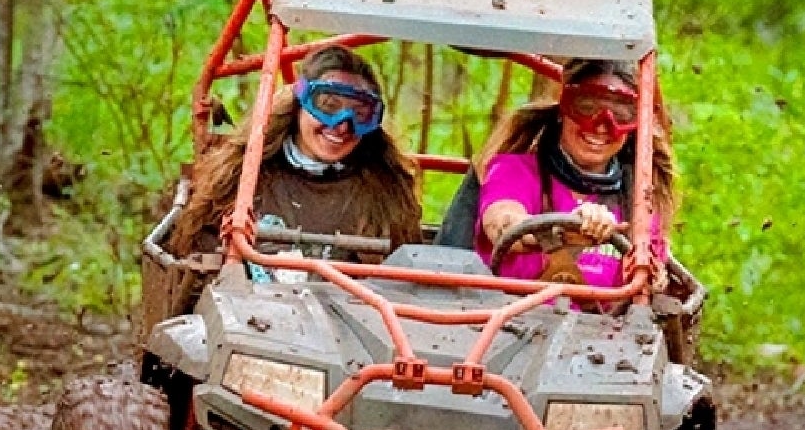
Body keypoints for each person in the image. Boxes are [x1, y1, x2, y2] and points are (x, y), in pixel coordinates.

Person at [169, 46, 422, 264]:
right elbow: (195, 262)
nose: (342, 126)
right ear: (299, 105)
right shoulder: (243, 176)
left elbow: (405, 277)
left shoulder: (385, 191)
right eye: (328, 106)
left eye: (360, 114)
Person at [473, 59, 677, 287]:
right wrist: (565, 231)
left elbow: (643, 290)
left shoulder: (639, 201)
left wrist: (654, 278)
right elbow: (503, 225)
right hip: (504, 317)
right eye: (587, 109)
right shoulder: (514, 171)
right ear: (564, 109)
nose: (601, 126)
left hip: (598, 322)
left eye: (620, 115)